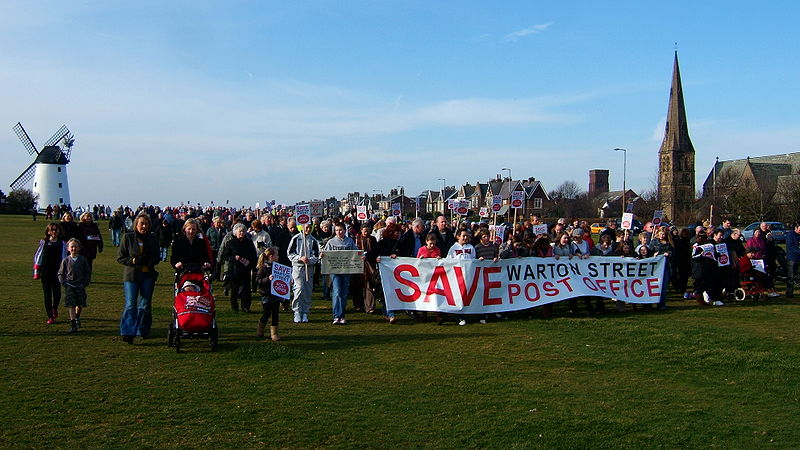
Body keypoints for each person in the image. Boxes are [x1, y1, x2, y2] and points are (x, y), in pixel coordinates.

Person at [117, 214, 161, 344]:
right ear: (136, 224)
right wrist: (133, 260)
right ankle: (128, 331)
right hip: (132, 276)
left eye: (146, 224)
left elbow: (157, 257)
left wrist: (149, 260)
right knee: (131, 304)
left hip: (147, 275)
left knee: (145, 304)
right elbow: (120, 257)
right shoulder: (128, 237)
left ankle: (143, 330)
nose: (144, 226)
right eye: (141, 223)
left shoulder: (152, 238)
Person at [321, 224, 358, 325]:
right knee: (337, 292)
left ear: (345, 230)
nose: (339, 232)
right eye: (337, 230)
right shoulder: (331, 241)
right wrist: (322, 255)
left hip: (346, 270)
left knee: (344, 293)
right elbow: (325, 253)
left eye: (340, 230)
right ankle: (336, 315)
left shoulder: (349, 241)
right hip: (335, 271)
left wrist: (360, 257)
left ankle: (342, 315)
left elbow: (355, 253)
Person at [218, 223, 258, 312]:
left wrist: (251, 264)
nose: (241, 233)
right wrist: (233, 258)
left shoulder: (249, 242)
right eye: (240, 231)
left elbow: (253, 256)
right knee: (234, 288)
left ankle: (246, 306)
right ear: (235, 232)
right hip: (234, 268)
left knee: (246, 288)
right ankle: (234, 306)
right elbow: (225, 255)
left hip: (246, 269)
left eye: (243, 231)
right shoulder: (231, 242)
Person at [34, 222, 68, 324]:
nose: (54, 232)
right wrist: (36, 270)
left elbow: (64, 257)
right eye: (52, 230)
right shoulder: (44, 242)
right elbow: (39, 256)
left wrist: (64, 270)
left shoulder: (62, 243)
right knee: (47, 294)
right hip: (45, 271)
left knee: (57, 294)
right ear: (48, 232)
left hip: (57, 271)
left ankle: (54, 308)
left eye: (56, 230)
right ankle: (50, 316)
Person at [287, 222, 320, 323]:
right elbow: (290, 253)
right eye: (306, 227)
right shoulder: (296, 238)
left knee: (307, 290)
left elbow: (316, 255)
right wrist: (299, 258)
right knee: (299, 288)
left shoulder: (313, 240)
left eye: (310, 228)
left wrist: (309, 260)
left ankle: (305, 311)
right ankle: (297, 311)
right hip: (298, 267)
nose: (308, 230)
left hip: (309, 268)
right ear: (302, 227)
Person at [58, 238, 91, 333]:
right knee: (71, 304)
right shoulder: (66, 260)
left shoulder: (83, 260)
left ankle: (77, 317)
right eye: (72, 246)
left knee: (79, 305)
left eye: (76, 246)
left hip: (80, 286)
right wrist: (63, 282)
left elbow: (87, 273)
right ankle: (73, 324)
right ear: (68, 248)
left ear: (79, 248)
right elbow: (60, 273)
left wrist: (85, 283)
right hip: (69, 285)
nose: (74, 248)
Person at [447, 229, 476, 325]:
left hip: (468, 275)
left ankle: (467, 313)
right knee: (458, 295)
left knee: (467, 294)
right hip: (457, 276)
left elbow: (473, 260)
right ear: (458, 236)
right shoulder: (453, 248)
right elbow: (448, 261)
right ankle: (459, 316)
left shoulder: (471, 247)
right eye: (463, 236)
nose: (465, 238)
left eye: (467, 236)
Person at [255, 247, 282, 341]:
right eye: (276, 255)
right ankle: (260, 329)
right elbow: (258, 281)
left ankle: (274, 333)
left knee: (275, 314)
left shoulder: (278, 267)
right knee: (266, 313)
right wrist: (267, 279)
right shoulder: (263, 268)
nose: (278, 256)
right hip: (266, 294)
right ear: (271, 256)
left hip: (276, 294)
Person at [785, 223, 800, 298]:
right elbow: (791, 247)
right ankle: (789, 292)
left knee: (796, 275)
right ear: (796, 228)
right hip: (792, 258)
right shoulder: (790, 235)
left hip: (798, 258)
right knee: (791, 276)